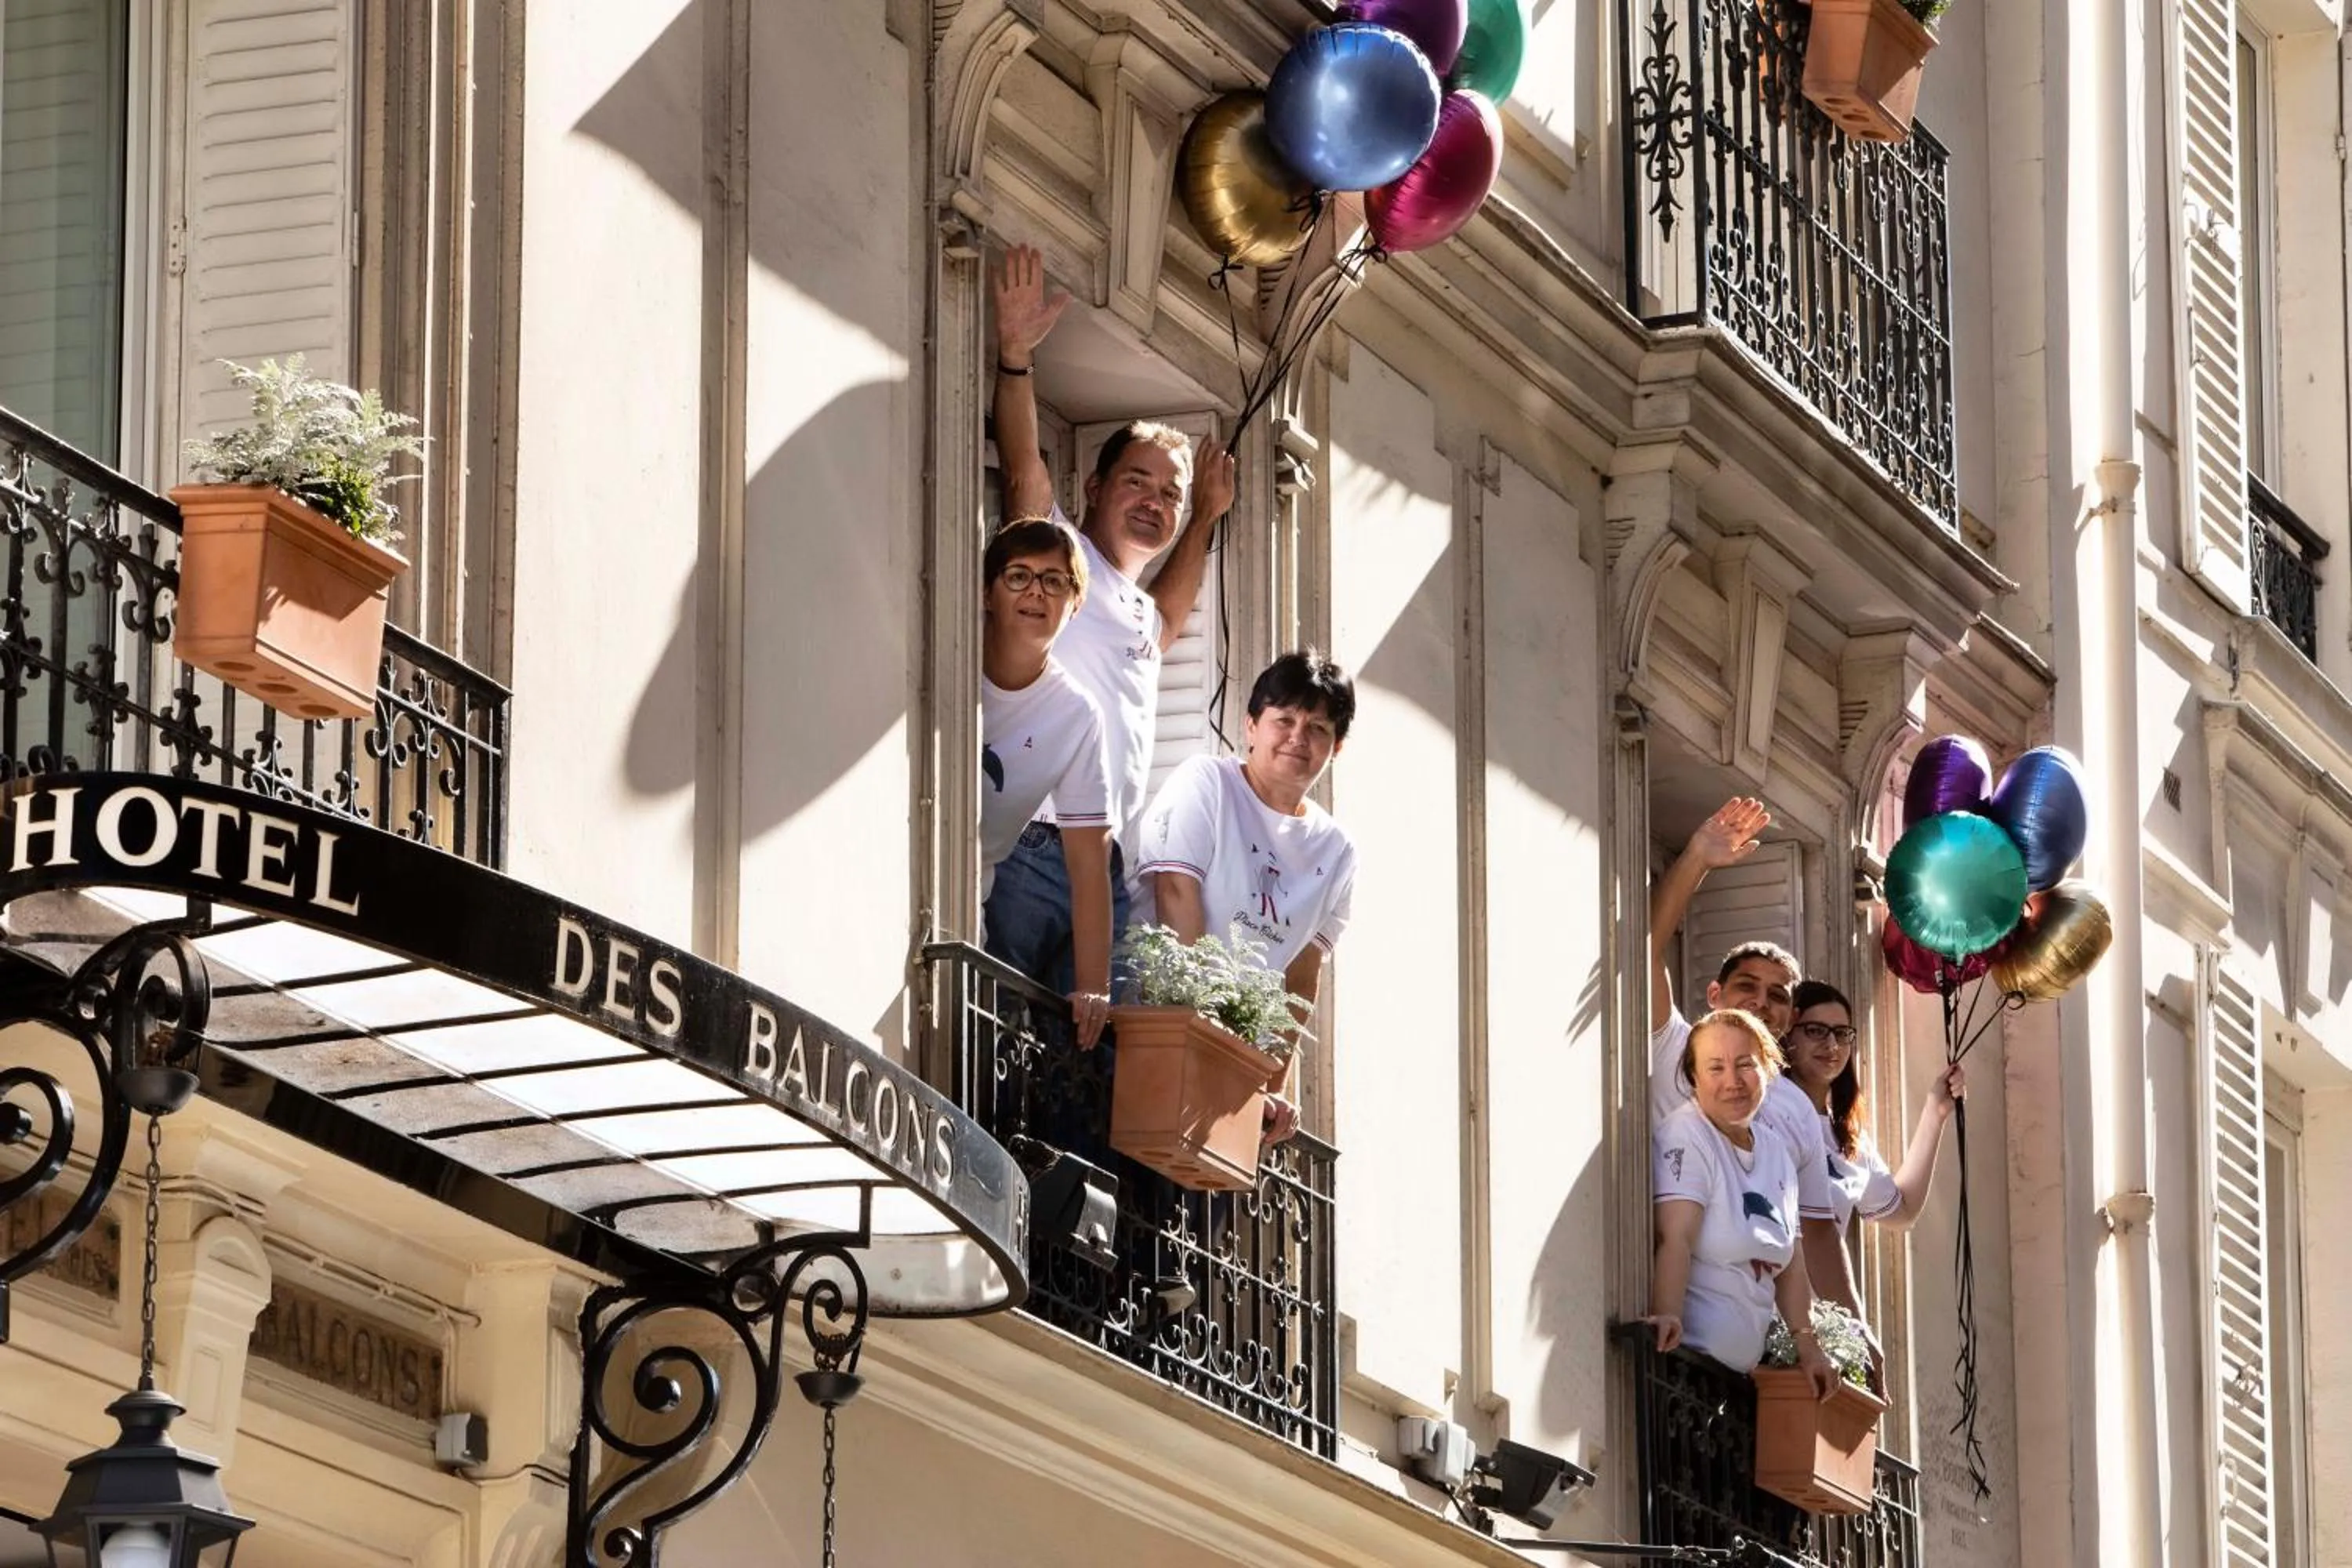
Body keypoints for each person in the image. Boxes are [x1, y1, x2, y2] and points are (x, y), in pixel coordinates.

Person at [988, 244, 1238, 998]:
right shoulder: (1063, 559)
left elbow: (1168, 618)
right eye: (1138, 482)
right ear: (1094, 487)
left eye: (1170, 494)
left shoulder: (1135, 611)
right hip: (1036, 835)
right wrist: (1015, 358)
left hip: (1103, 860)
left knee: (1090, 1045)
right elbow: (1024, 471)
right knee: (1000, 1016)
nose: (1155, 502)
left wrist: (1206, 517)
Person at [1650, 796, 1864, 1327]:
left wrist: (1856, 1332)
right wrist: (1697, 858)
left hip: (1755, 1339)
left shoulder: (1796, 1110)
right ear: (1715, 994)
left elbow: (1816, 1234)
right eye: (1746, 986)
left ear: (1790, 1018)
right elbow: (1644, 952)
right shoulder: (1676, 1046)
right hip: (1673, 1327)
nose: (1760, 1002)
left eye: (1777, 996)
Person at [1131, 651, 1358, 1146]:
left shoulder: (1337, 851)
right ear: (1251, 726)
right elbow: (1175, 896)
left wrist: (1268, 1091)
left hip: (1225, 1073)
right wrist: (1198, 1044)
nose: (1298, 738)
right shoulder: (1208, 783)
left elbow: (1301, 979)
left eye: (1318, 728)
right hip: (1148, 1031)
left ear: (1336, 747)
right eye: (1284, 720)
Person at [1649, 1008, 1840, 1397]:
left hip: (1739, 1386)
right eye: (1715, 1068)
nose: (1732, 1082)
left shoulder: (1776, 1150)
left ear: (1768, 1070)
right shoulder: (1686, 1134)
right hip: (1687, 1378)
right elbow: (1674, 1238)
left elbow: (1791, 1262)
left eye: (1745, 1065)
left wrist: (1808, 1346)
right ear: (1693, 1078)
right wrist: (1667, 1314)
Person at [978, 517, 1116, 1047]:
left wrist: (1093, 987)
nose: (1035, 591)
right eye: (1018, 576)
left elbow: (1089, 862)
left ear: (1075, 604)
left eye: (1054, 581)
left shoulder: (1075, 715)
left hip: (966, 899)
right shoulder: (945, 659)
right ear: (987, 593)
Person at [1780, 979, 1965, 1235]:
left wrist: (1935, 1113)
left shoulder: (1847, 1134)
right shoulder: (1766, 1114)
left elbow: (1902, 1213)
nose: (1832, 1045)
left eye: (1842, 1033)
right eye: (1815, 1031)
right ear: (1787, 1033)